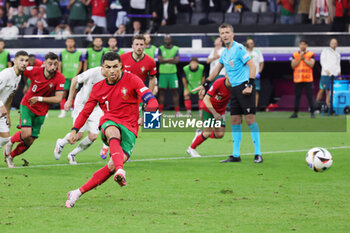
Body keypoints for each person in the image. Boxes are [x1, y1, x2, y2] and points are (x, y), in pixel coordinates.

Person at [65, 52, 159, 208]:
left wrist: (149, 118)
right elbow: (85, 112)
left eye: (116, 66)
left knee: (111, 166)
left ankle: (77, 192)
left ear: (121, 66)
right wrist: (75, 129)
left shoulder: (133, 80)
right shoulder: (98, 88)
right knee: (112, 131)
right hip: (110, 121)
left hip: (130, 127)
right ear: (103, 68)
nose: (112, 70)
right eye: (108, 67)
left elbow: (151, 100)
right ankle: (121, 171)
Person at [199, 23, 263, 163]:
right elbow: (216, 70)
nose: (225, 35)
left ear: (232, 34)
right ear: (220, 36)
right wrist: (205, 84)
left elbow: (252, 66)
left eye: (227, 32)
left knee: (250, 119)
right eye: (222, 33)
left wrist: (250, 85)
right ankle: (235, 155)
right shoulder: (225, 53)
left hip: (245, 88)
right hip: (234, 89)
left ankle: (258, 154)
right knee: (235, 120)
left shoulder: (239, 48)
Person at [100, 35, 157, 158]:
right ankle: (110, 143)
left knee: (135, 124)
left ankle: (117, 147)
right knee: (119, 120)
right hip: (122, 96)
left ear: (145, 46)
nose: (139, 47)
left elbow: (152, 78)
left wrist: (148, 96)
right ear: (132, 46)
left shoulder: (150, 61)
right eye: (136, 44)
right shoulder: (123, 58)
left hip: (138, 97)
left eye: (141, 44)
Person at [3, 52, 65, 168]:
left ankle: (10, 157)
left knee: (29, 140)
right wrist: (16, 82)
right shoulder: (35, 71)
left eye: (55, 64)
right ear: (44, 63)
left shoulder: (60, 77)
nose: (53, 67)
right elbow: (18, 69)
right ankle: (10, 141)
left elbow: (58, 99)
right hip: (27, 105)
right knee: (26, 134)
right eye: (50, 64)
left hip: (42, 110)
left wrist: (40, 99)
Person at [54, 66, 106, 164]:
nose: (111, 70)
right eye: (108, 66)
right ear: (104, 65)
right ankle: (61, 143)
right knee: (78, 136)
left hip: (96, 107)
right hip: (82, 104)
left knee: (93, 136)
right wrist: (69, 100)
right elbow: (75, 80)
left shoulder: (114, 76)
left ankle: (72, 154)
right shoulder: (93, 72)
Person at [187, 76, 230, 157]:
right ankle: (191, 148)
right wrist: (214, 113)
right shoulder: (218, 82)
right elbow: (206, 99)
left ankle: (200, 134)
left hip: (220, 111)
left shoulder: (236, 85)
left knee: (220, 134)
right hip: (208, 109)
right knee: (207, 133)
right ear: (226, 75)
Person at [0, 51, 29, 148]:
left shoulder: (18, 76)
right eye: (21, 60)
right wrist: (1, 106)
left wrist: (7, 113)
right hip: (0, 107)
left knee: (5, 139)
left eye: (26, 60)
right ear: (14, 61)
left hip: (2, 111)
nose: (24, 63)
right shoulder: (6, 74)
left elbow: (10, 96)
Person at [290, 40, 316, 118]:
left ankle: (312, 113)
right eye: (301, 44)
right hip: (298, 79)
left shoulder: (311, 54)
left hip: (308, 79)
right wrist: (300, 58)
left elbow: (312, 64)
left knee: (310, 96)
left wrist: (304, 59)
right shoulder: (295, 54)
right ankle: (295, 113)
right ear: (299, 45)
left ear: (306, 45)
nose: (302, 46)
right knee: (297, 96)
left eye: (304, 44)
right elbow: (293, 65)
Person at [58, 37, 83, 118]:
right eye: (68, 41)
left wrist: (76, 75)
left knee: (74, 94)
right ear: (66, 43)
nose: (70, 43)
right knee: (63, 94)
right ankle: (63, 112)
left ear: (74, 43)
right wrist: (60, 75)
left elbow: (80, 65)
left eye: (71, 41)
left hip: (74, 77)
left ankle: (73, 111)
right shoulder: (62, 53)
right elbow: (60, 64)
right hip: (64, 77)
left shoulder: (78, 53)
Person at [158, 35, 181, 116]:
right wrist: (170, 59)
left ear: (170, 39)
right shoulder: (160, 48)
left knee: (175, 92)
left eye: (168, 38)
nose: (167, 40)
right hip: (163, 73)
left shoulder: (175, 48)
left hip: (172, 73)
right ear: (164, 40)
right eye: (166, 38)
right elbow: (159, 60)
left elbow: (176, 61)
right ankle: (160, 112)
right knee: (161, 92)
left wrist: (165, 60)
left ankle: (177, 112)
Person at [316, 38, 341, 107]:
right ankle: (315, 106)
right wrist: (326, 69)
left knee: (330, 91)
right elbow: (322, 60)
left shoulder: (337, 54)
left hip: (334, 75)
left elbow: (338, 64)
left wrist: (339, 72)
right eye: (332, 43)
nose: (334, 44)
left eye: (335, 43)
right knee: (322, 89)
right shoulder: (325, 50)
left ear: (337, 44)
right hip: (325, 74)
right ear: (330, 44)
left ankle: (328, 106)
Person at [246, 38, 264, 107]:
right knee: (247, 90)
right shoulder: (244, 52)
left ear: (253, 44)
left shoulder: (257, 52)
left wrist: (259, 72)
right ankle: (247, 106)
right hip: (246, 75)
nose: (250, 45)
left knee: (256, 91)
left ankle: (255, 107)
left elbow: (261, 63)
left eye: (251, 43)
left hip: (255, 75)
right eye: (248, 43)